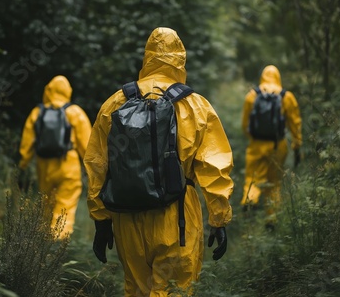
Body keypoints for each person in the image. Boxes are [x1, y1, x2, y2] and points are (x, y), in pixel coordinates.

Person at [84, 27, 234, 296]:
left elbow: (97, 165)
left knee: (138, 289)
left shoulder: (115, 102)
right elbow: (214, 167)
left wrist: (101, 221)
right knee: (175, 289)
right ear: (180, 59)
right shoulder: (195, 106)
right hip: (176, 218)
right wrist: (219, 219)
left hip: (127, 215)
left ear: (147, 57)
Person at [18, 75, 92, 239]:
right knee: (65, 206)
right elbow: (87, 146)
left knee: (46, 205)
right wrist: (94, 170)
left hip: (44, 166)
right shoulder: (75, 112)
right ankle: (58, 242)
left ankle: (41, 241)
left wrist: (22, 165)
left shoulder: (37, 112)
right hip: (68, 166)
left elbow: (27, 144)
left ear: (48, 90)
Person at [240, 65, 302, 228]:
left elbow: (245, 124)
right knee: (274, 183)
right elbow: (295, 123)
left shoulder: (252, 96)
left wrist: (254, 139)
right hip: (277, 145)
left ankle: (250, 200)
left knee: (252, 178)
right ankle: (271, 219)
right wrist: (296, 145)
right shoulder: (286, 97)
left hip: (256, 145)